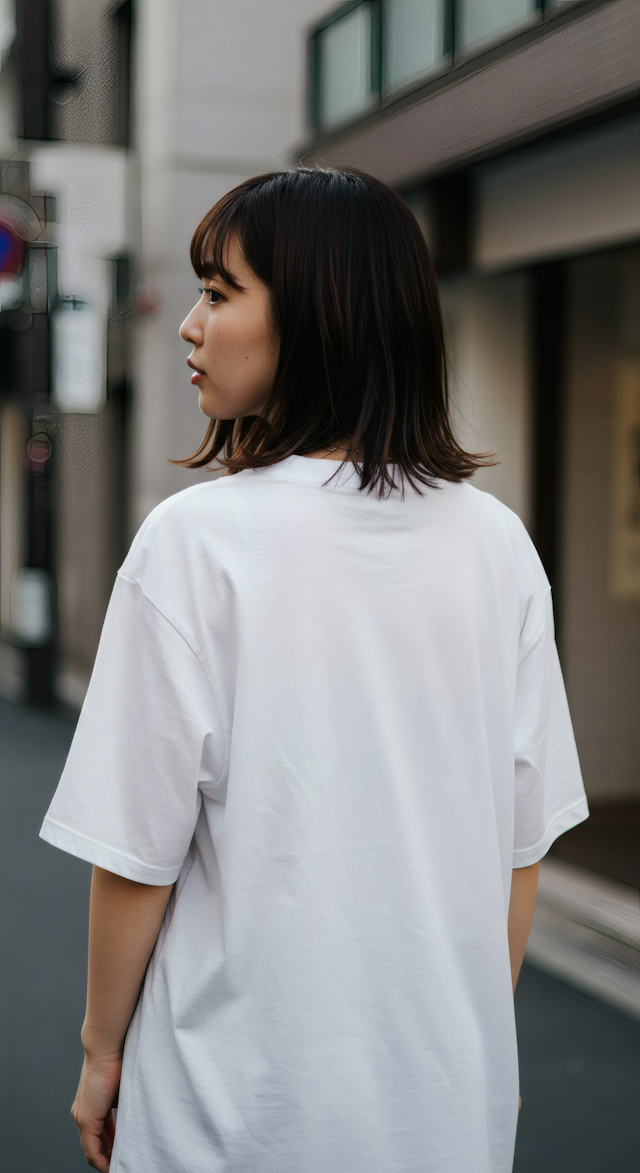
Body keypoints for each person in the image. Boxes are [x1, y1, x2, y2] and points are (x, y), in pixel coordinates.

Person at [40, 168, 588, 1173]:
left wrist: (100, 1051)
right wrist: (473, 1038)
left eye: (219, 292)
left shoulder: (195, 542)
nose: (189, 326)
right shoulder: (497, 545)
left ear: (318, 315)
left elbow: (135, 856)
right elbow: (519, 849)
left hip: (230, 1114)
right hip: (443, 1112)